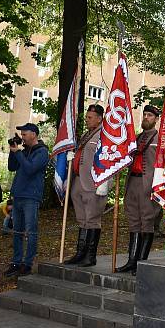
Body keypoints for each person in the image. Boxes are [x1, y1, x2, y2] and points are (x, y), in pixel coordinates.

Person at [116, 105, 161, 274]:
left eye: (150, 115)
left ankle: (142, 264)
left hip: (148, 185)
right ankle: (131, 261)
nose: (146, 118)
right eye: (145, 115)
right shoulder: (137, 137)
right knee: (134, 222)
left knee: (146, 222)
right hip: (133, 182)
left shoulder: (160, 139)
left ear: (156, 119)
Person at [65, 104, 110, 266]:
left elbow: (109, 159)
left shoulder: (105, 135)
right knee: (82, 219)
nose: (87, 120)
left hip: (93, 182)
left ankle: (90, 256)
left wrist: (104, 182)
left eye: (90, 117)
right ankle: (80, 252)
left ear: (99, 118)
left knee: (92, 219)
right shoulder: (87, 135)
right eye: (86, 117)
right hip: (79, 181)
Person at [5, 122, 49, 277]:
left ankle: (27, 263)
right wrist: (13, 150)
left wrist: (18, 152)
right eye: (21, 134)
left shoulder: (42, 152)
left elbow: (30, 169)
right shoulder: (24, 151)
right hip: (18, 195)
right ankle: (16, 262)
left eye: (24, 134)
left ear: (33, 134)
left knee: (30, 231)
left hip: (31, 196)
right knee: (17, 230)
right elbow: (12, 167)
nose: (22, 137)